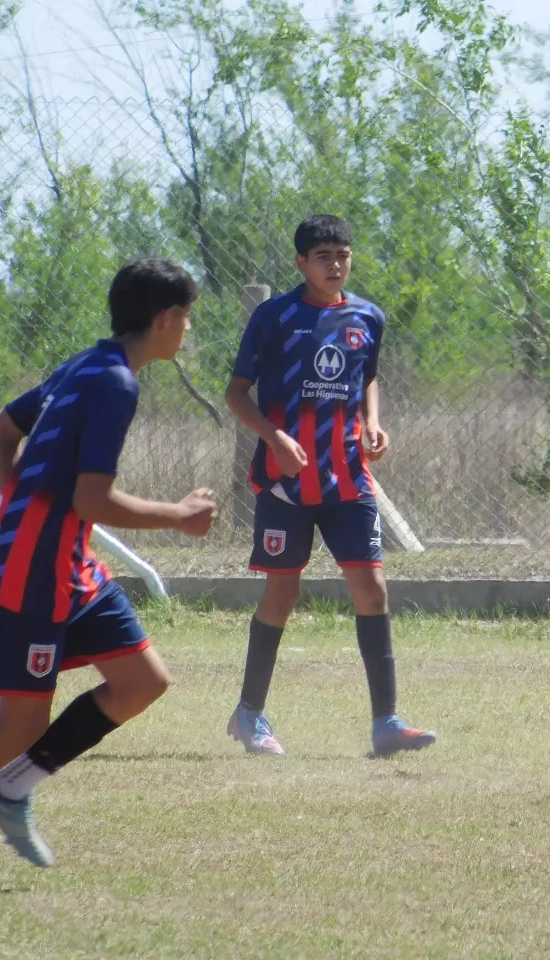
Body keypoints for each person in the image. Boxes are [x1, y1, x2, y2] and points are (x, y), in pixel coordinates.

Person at [0, 259, 217, 866]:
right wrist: (179, 515)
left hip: (69, 563)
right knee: (17, 726)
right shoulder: (115, 384)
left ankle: (11, 790)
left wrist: (24, 505)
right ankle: (0, 780)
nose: (189, 330)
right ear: (165, 319)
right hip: (30, 571)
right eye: (187, 318)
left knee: (141, 682)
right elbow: (92, 499)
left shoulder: (86, 364)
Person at [224, 214, 435, 758]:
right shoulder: (275, 317)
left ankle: (386, 723)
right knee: (283, 594)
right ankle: (248, 714)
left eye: (343, 255)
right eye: (323, 256)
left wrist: (372, 422)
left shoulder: (368, 316)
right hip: (286, 484)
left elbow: (368, 376)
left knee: (372, 588)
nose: (335, 264)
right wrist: (275, 439)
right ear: (301, 263)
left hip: (348, 479)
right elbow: (236, 394)